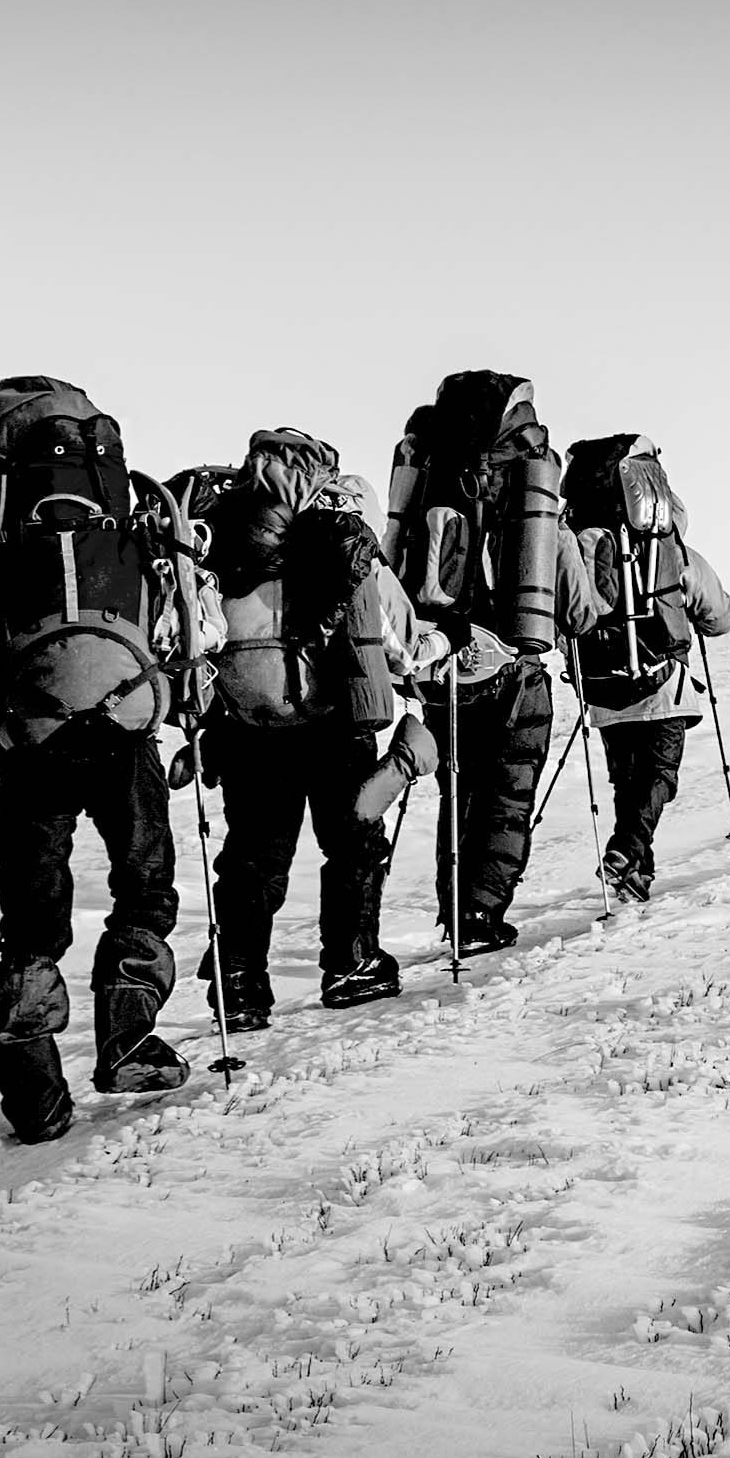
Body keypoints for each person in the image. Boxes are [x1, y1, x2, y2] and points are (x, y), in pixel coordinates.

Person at [0, 376, 198, 1144]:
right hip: (125, 727)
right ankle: (127, 1045)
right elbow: (179, 617)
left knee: (32, 921)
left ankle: (36, 1103)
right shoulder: (128, 498)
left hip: (34, 739)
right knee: (146, 890)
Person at [188, 430, 439, 1018]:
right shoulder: (339, 536)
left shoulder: (215, 538)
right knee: (354, 844)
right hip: (333, 724)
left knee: (252, 858)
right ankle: (352, 965)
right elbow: (398, 643)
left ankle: (240, 986)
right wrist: (441, 644)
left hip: (247, 725)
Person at [386, 372, 605, 959]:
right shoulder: (532, 485)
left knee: (455, 789)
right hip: (513, 659)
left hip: (440, 660)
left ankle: (454, 911)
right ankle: (479, 912)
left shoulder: (431, 472)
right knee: (506, 791)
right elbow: (580, 608)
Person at [559, 432, 730, 904]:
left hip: (601, 684)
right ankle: (625, 852)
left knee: (627, 782)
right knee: (659, 776)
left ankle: (637, 874)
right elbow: (718, 619)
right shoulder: (668, 549)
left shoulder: (574, 542)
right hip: (662, 681)